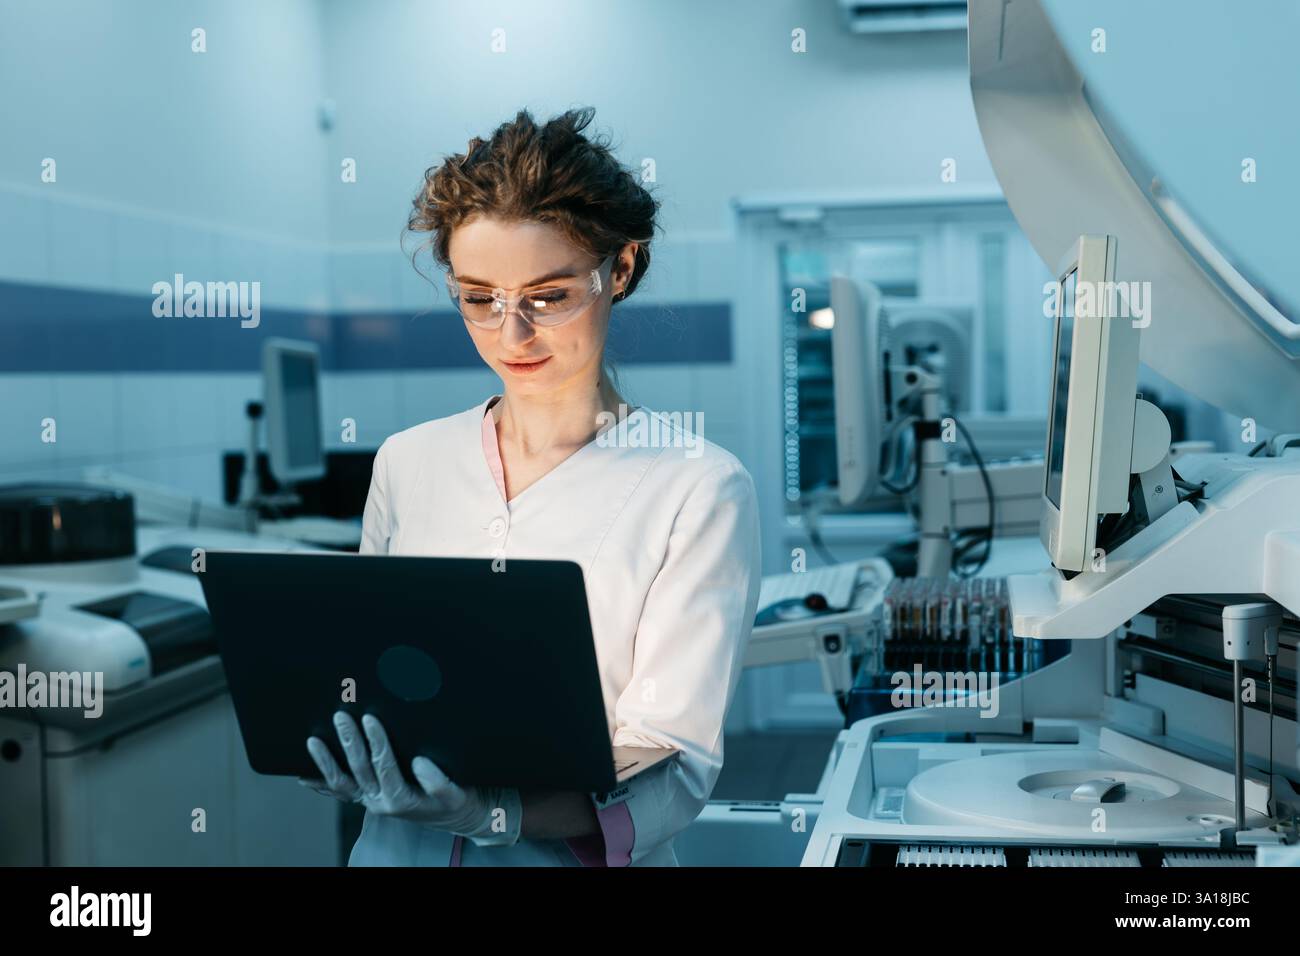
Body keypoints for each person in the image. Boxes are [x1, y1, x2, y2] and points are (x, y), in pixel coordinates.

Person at [299, 106, 762, 866]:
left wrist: (493, 813)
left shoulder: (698, 488)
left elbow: (674, 773)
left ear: (622, 268)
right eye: (479, 298)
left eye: (548, 297)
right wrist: (349, 750)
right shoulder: (408, 463)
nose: (510, 335)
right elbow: (371, 675)